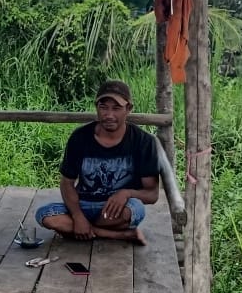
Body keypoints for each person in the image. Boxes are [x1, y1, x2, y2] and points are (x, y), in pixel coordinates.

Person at [34, 80, 160, 242]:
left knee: (135, 210)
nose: (109, 115)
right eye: (103, 107)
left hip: (117, 210)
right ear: (96, 108)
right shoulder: (79, 137)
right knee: (44, 215)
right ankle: (116, 234)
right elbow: (67, 183)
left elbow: (152, 194)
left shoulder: (143, 141)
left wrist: (126, 193)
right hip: (84, 204)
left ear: (128, 109)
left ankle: (84, 230)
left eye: (116, 108)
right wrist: (78, 216)